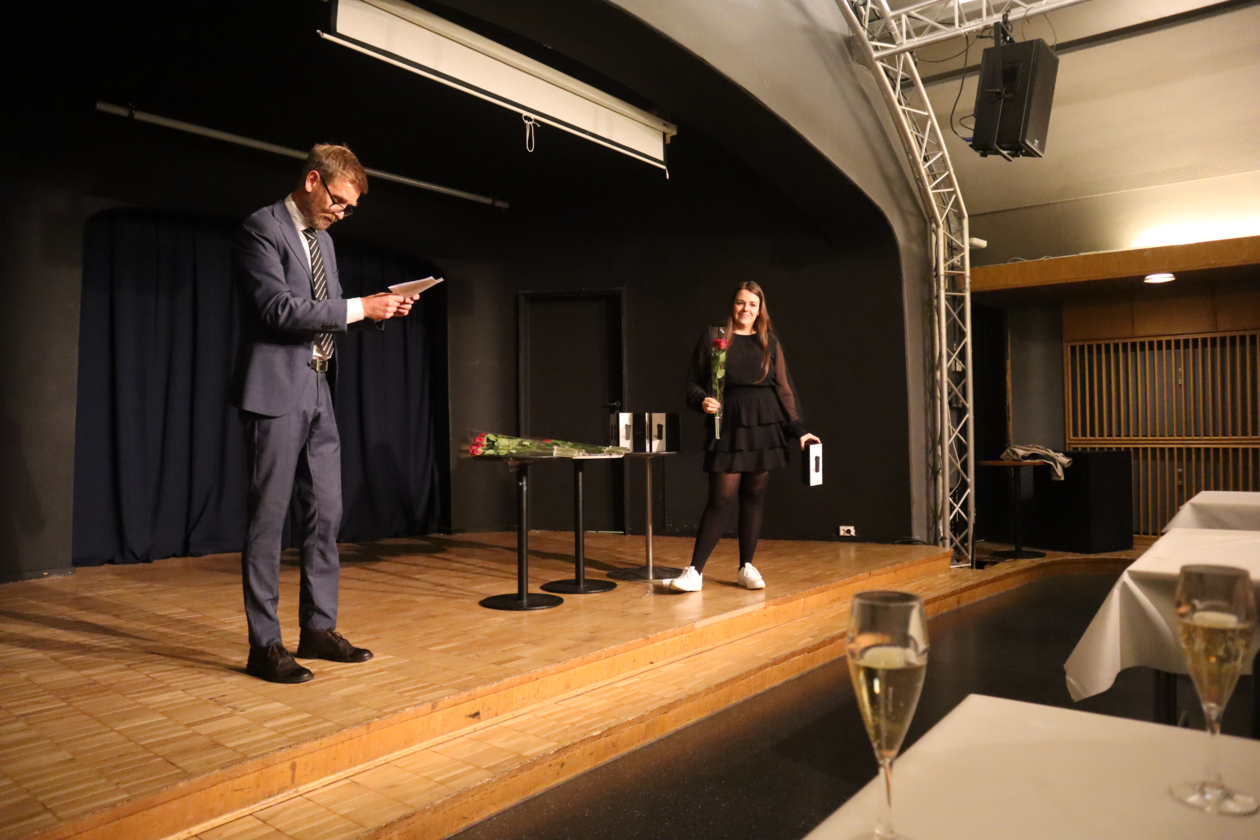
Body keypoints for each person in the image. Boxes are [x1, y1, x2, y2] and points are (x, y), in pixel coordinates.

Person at [230, 144, 417, 683]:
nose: (342, 213)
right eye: (339, 201)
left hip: (319, 387)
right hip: (274, 390)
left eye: (351, 208)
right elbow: (279, 309)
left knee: (325, 514)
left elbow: (327, 311)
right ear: (313, 181)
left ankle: (317, 628)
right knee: (268, 521)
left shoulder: (324, 243)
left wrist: (381, 309)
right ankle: (264, 644)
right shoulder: (262, 228)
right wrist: (361, 307)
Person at [672, 282, 820, 592]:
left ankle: (746, 567)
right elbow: (693, 385)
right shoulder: (715, 339)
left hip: (765, 425)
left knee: (753, 498)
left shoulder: (769, 343)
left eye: (752, 304)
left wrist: (798, 430)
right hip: (728, 424)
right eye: (741, 303)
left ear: (760, 309)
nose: (746, 309)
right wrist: (702, 400)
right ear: (733, 305)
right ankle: (695, 572)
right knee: (720, 499)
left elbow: (784, 389)